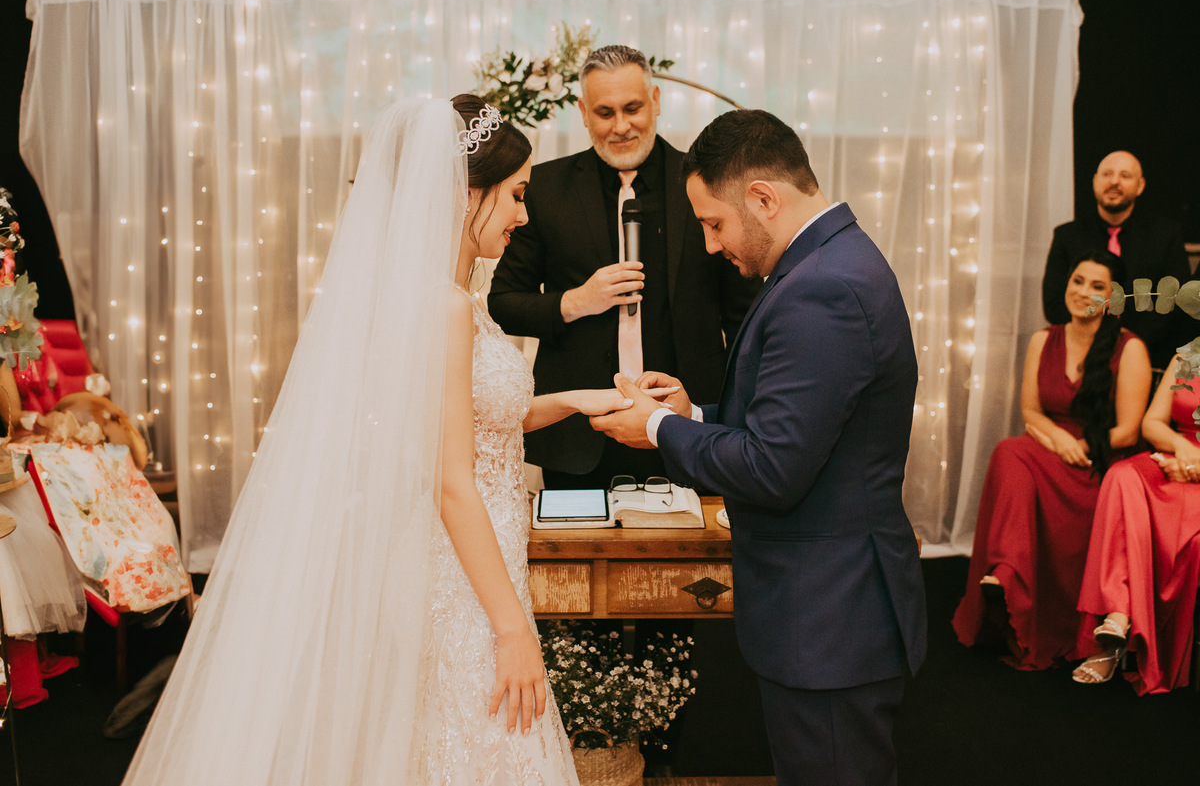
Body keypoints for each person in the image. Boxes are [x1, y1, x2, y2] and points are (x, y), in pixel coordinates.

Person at [122, 96, 656, 784]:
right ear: (468, 192)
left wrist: (583, 399)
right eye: (517, 195)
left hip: (479, 561)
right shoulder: (444, 306)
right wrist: (511, 627)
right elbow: (449, 478)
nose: (525, 216)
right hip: (463, 576)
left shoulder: (446, 294)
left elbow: (475, 415)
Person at [591, 108, 927, 786]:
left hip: (831, 616)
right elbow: (801, 422)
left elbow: (773, 468)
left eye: (714, 223)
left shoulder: (821, 288)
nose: (712, 246)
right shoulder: (826, 262)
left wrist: (656, 428)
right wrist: (695, 411)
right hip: (830, 609)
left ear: (765, 198)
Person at [488, 44, 759, 488]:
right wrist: (574, 302)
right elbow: (502, 303)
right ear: (582, 112)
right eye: (604, 112)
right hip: (578, 436)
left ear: (655, 100)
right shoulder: (545, 188)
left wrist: (739, 414)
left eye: (632, 108)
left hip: (689, 425)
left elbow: (744, 314)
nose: (620, 126)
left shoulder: (706, 184)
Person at [954, 249, 1152, 671]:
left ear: (1113, 296)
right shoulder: (1044, 339)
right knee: (1009, 451)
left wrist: (1080, 448)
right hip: (1053, 446)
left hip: (1099, 461)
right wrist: (1059, 440)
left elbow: (1130, 431)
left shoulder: (1129, 348)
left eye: (1097, 286)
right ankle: (1005, 574)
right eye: (1077, 281)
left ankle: (1016, 582)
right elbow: (1030, 413)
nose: (1083, 292)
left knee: (1022, 455)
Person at [1072, 353, 1200, 690]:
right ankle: (1117, 614)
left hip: (1195, 474)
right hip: (1176, 456)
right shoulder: (1188, 355)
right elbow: (1152, 424)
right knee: (1122, 474)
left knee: (1153, 508)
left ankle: (1115, 639)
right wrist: (1180, 448)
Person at [1041, 150, 1195, 370]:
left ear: (1140, 185)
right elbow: (1053, 304)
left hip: (1147, 356)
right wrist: (1092, 343)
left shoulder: (1165, 235)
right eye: (1107, 174)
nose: (1114, 181)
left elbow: (1174, 302)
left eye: (1124, 176)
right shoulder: (1067, 236)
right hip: (1078, 358)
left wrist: (1128, 346)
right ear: (1095, 181)